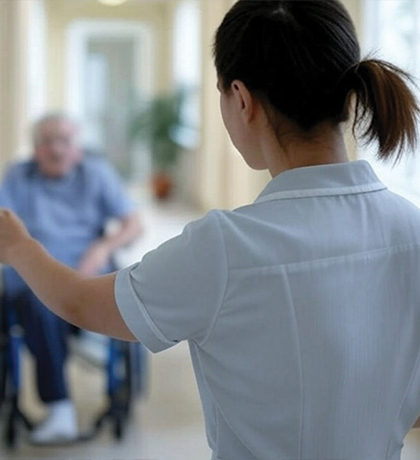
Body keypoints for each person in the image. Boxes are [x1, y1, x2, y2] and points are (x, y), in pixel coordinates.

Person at [1, 0, 420, 458]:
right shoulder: (412, 228)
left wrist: (19, 246)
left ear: (241, 99)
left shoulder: (225, 248)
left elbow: (81, 302)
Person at [0, 112, 141, 444]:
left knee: (82, 293)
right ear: (35, 149)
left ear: (78, 147)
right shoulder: (18, 177)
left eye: (64, 140)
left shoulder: (96, 174)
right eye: (47, 142)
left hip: (86, 274)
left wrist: (102, 247)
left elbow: (133, 224)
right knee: (40, 296)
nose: (57, 149)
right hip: (33, 278)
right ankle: (59, 404)